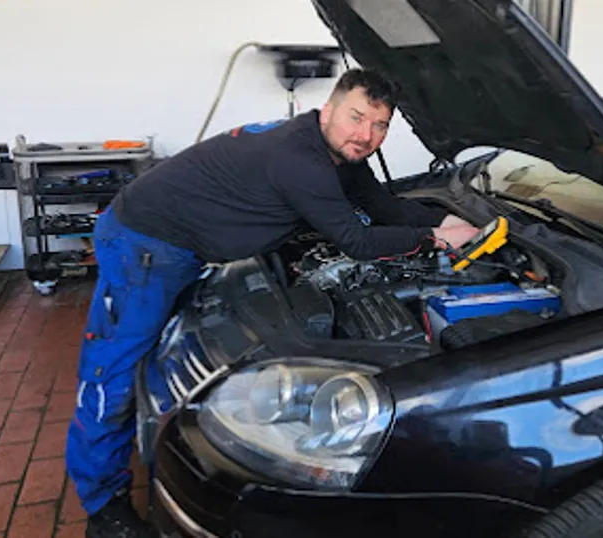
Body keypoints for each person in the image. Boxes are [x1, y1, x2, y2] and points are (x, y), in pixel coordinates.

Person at [65, 67, 479, 537]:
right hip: (145, 245)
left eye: (380, 125)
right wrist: (433, 240)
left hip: (183, 244)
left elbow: (385, 207)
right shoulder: (300, 160)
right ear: (329, 110)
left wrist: (455, 223)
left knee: (156, 349)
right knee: (110, 372)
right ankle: (102, 507)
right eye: (356, 117)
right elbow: (355, 240)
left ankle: (160, 438)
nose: (365, 135)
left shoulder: (338, 152)